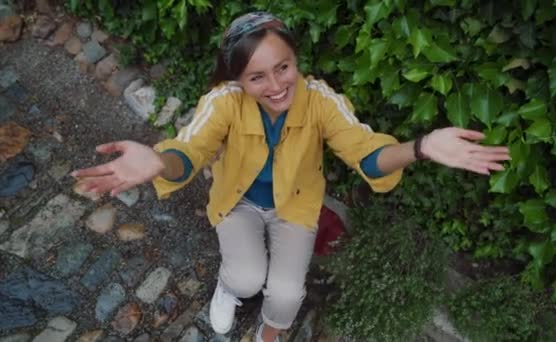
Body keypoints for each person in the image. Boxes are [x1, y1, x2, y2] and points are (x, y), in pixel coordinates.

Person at [71, 12, 510, 342]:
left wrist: (421, 147)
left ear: (296, 59)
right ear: (237, 78)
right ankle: (229, 287)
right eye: (256, 76)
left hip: (295, 206)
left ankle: (269, 333)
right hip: (237, 202)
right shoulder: (223, 102)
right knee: (245, 278)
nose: (276, 85)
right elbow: (191, 151)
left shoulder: (321, 100)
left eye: (283, 67)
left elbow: (368, 155)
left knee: (284, 295)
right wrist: (159, 162)